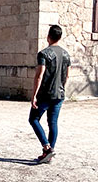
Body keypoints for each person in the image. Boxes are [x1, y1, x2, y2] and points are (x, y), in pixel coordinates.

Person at [29, 24, 70, 164]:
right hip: (59, 94)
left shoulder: (44, 54)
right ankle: (49, 152)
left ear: (48, 36)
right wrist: (61, 88)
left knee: (33, 119)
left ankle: (47, 148)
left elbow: (39, 75)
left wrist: (34, 95)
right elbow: (67, 76)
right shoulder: (66, 54)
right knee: (53, 123)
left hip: (45, 94)